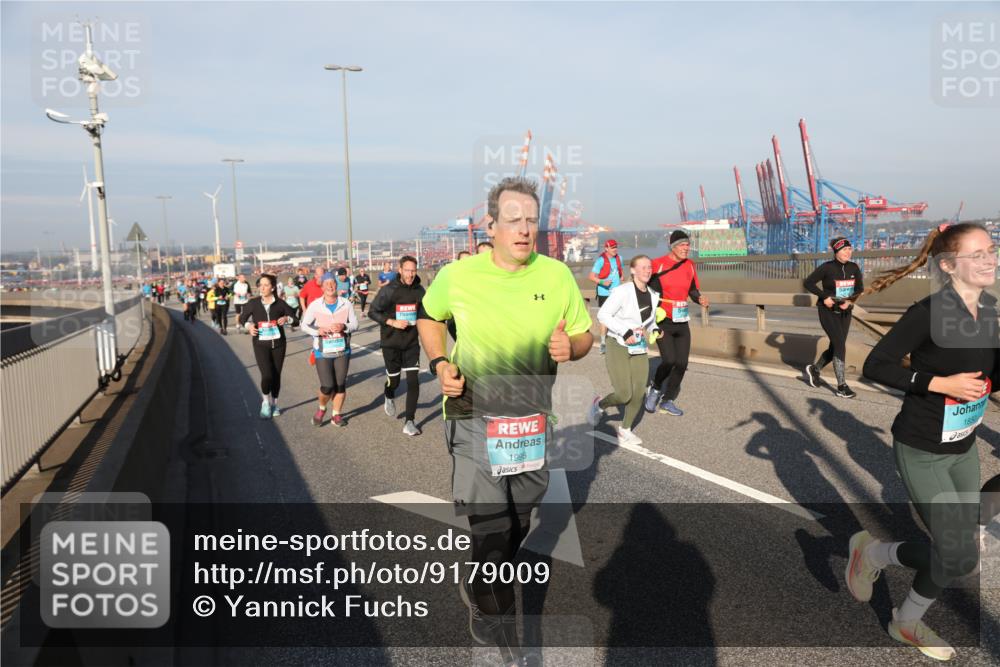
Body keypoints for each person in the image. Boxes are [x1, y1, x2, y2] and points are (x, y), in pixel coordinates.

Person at [417, 177, 593, 665]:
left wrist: (571, 348)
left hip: (531, 422)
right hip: (473, 415)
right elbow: (430, 318)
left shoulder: (556, 276)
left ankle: (480, 578)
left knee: (520, 524)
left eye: (532, 221)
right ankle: (503, 636)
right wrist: (439, 364)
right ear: (491, 225)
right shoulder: (459, 276)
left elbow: (583, 334)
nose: (524, 230)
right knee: (493, 532)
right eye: (513, 220)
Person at [847, 223, 998, 662]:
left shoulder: (987, 310)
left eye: (991, 250)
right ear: (949, 266)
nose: (990, 259)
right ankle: (904, 622)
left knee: (962, 558)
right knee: (954, 556)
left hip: (963, 448)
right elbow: (877, 365)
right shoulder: (928, 312)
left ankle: (872, 552)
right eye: (977, 254)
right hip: (924, 449)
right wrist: (938, 381)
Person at [589, 255, 659, 445]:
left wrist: (655, 329)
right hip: (617, 344)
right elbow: (603, 314)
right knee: (623, 394)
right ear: (633, 270)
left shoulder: (653, 295)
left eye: (649, 267)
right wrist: (624, 330)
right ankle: (600, 405)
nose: (647, 270)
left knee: (638, 392)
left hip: (638, 347)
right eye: (643, 267)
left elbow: (649, 321)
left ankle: (625, 429)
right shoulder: (622, 291)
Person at [643, 229, 709, 417]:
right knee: (669, 360)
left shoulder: (690, 265)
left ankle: (668, 400)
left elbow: (693, 289)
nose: (686, 248)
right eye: (682, 245)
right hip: (663, 320)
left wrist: (700, 299)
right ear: (673, 247)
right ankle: (655, 389)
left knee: (681, 363)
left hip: (681, 320)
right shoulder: (657, 265)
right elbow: (643, 288)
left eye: (688, 245)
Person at [369, 255, 425, 436]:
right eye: (407, 270)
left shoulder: (419, 290)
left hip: (411, 343)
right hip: (391, 342)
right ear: (400, 270)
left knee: (413, 382)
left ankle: (410, 421)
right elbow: (373, 311)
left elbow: (425, 312)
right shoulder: (390, 290)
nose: (410, 274)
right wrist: (391, 322)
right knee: (394, 380)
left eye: (413, 271)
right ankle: (389, 394)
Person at [803, 237, 864, 398]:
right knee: (840, 346)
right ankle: (841, 386)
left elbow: (860, 288)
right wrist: (824, 297)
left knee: (836, 346)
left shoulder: (854, 267)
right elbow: (808, 283)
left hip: (845, 311)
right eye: (844, 250)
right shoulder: (827, 268)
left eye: (850, 249)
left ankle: (814, 370)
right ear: (836, 252)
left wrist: (850, 301)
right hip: (827, 310)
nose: (848, 252)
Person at [299, 273, 359, 428]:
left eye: (333, 283)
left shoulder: (346, 304)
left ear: (336, 284)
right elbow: (304, 325)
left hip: (342, 351)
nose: (330, 286)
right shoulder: (315, 305)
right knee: (327, 386)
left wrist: (343, 326)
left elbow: (355, 324)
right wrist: (317, 330)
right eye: (327, 284)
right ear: (322, 286)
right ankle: (321, 408)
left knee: (340, 385)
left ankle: (336, 415)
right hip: (322, 351)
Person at [239, 274, 297, 418]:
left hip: (279, 344)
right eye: (260, 285)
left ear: (272, 287)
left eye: (266, 285)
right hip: (260, 344)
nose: (262, 288)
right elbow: (242, 318)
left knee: (276, 376)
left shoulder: (280, 303)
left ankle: (275, 404)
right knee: (267, 375)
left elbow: (296, 319)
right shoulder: (253, 303)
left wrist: (287, 318)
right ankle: (265, 401)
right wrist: (249, 325)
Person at [588, 239, 623, 354]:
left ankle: (616, 343)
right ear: (606, 249)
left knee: (618, 317)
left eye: (616, 247)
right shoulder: (600, 260)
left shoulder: (619, 258)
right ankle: (603, 343)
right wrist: (603, 282)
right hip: (604, 293)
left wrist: (621, 281)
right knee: (605, 319)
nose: (615, 249)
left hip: (616, 293)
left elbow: (620, 274)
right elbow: (591, 277)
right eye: (612, 247)